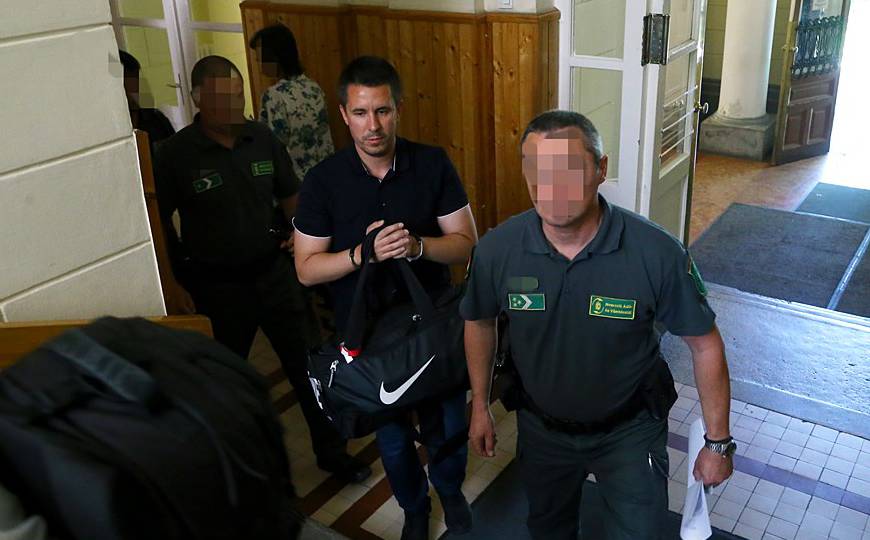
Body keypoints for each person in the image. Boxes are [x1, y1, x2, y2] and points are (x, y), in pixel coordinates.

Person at [461, 110, 734, 540]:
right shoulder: (497, 251)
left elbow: (705, 344)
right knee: (548, 530)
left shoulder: (656, 254)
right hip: (541, 431)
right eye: (537, 169)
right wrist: (480, 405)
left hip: (630, 433)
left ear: (600, 169)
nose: (550, 186)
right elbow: (479, 322)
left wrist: (717, 442)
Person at [153, 55, 370, 485]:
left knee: (310, 369)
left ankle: (332, 453)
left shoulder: (262, 139)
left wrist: (299, 233)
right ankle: (228, 469)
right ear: (198, 99)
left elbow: (292, 196)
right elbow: (157, 222)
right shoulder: (176, 154)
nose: (233, 106)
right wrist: (172, 281)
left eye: (237, 96)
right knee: (221, 381)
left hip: (274, 276)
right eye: (222, 99)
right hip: (216, 287)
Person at [293, 56, 478, 540]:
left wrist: (417, 247)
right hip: (368, 338)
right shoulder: (323, 181)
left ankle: (450, 491)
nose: (372, 125)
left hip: (433, 327)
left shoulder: (432, 163)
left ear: (398, 109)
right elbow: (306, 269)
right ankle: (414, 510)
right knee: (393, 442)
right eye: (360, 112)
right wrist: (361, 254)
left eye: (382, 111)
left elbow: (466, 243)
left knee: (448, 424)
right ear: (343, 114)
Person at [249, 24, 334, 181]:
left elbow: (272, 146)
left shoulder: (274, 96)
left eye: (260, 59)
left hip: (296, 183)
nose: (258, 64)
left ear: (274, 57)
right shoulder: (313, 87)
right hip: (326, 176)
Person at [119, 50, 175, 150]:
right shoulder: (111, 129)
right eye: (127, 78)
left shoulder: (156, 120)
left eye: (135, 78)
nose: (135, 86)